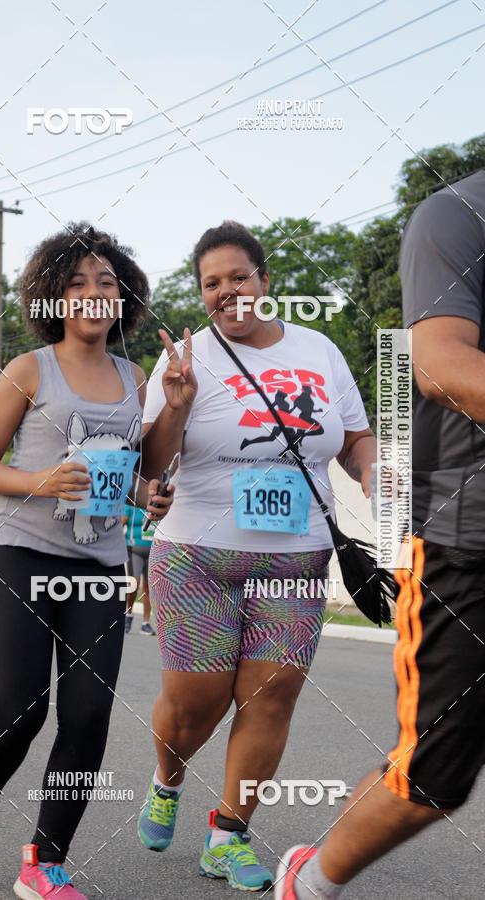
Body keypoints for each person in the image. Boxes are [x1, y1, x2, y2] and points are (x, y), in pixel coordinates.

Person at [137, 221, 377, 891]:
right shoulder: (183, 359)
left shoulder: (320, 350)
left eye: (238, 276)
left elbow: (356, 435)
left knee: (270, 700)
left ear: (265, 281)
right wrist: (177, 406)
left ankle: (227, 835)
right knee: (195, 706)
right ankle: (168, 778)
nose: (226, 292)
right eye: (211, 283)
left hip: (296, 556)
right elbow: (150, 467)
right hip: (195, 552)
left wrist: (378, 479)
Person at [0, 223, 173, 900]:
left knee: (89, 715)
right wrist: (39, 481)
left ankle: (45, 861)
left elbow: (138, 472)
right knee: (21, 706)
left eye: (106, 282)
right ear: (53, 298)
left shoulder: (136, 378)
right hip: (21, 552)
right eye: (76, 283)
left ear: (122, 295)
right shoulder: (28, 370)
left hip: (98, 567)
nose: (93, 293)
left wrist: (149, 493)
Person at [276, 170, 485, 899]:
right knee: (429, 779)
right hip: (469, 541)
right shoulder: (458, 215)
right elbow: (439, 363)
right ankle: (315, 876)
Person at [123, 502, 156, 635]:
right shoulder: (131, 503)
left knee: (148, 587)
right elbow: (121, 522)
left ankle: (145, 623)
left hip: (152, 550)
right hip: (134, 549)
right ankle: (128, 615)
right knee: (133, 584)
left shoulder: (156, 503)